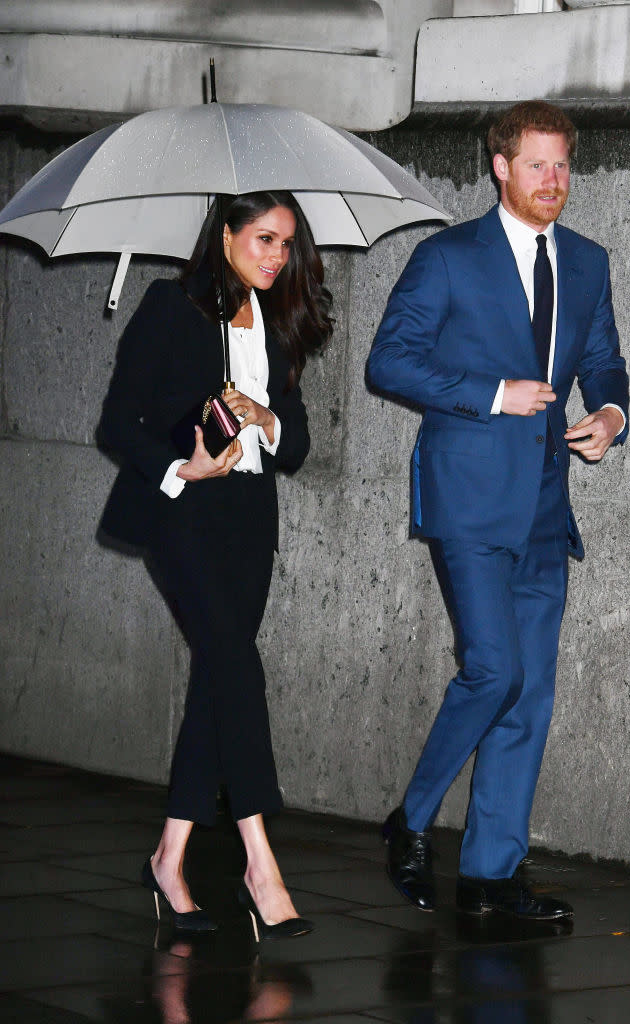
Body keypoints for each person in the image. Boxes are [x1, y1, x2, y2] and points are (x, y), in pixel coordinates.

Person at [366, 101, 628, 922]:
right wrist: (490, 394)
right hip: (471, 501)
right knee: (495, 670)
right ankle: (410, 819)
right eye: (537, 164)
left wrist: (612, 418)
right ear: (501, 167)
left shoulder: (586, 262)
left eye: (563, 165)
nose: (554, 180)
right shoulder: (447, 258)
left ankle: (489, 880)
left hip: (548, 505)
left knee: (530, 695)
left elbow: (604, 362)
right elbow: (388, 362)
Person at [99, 190, 333, 939]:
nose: (276, 256)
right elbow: (116, 421)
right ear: (225, 234)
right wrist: (180, 467)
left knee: (219, 677)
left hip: (249, 522)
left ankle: (170, 858)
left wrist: (267, 418)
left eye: (286, 244)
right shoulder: (171, 307)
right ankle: (260, 863)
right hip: (183, 514)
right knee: (236, 662)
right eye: (263, 238)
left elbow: (295, 448)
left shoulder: (279, 321)